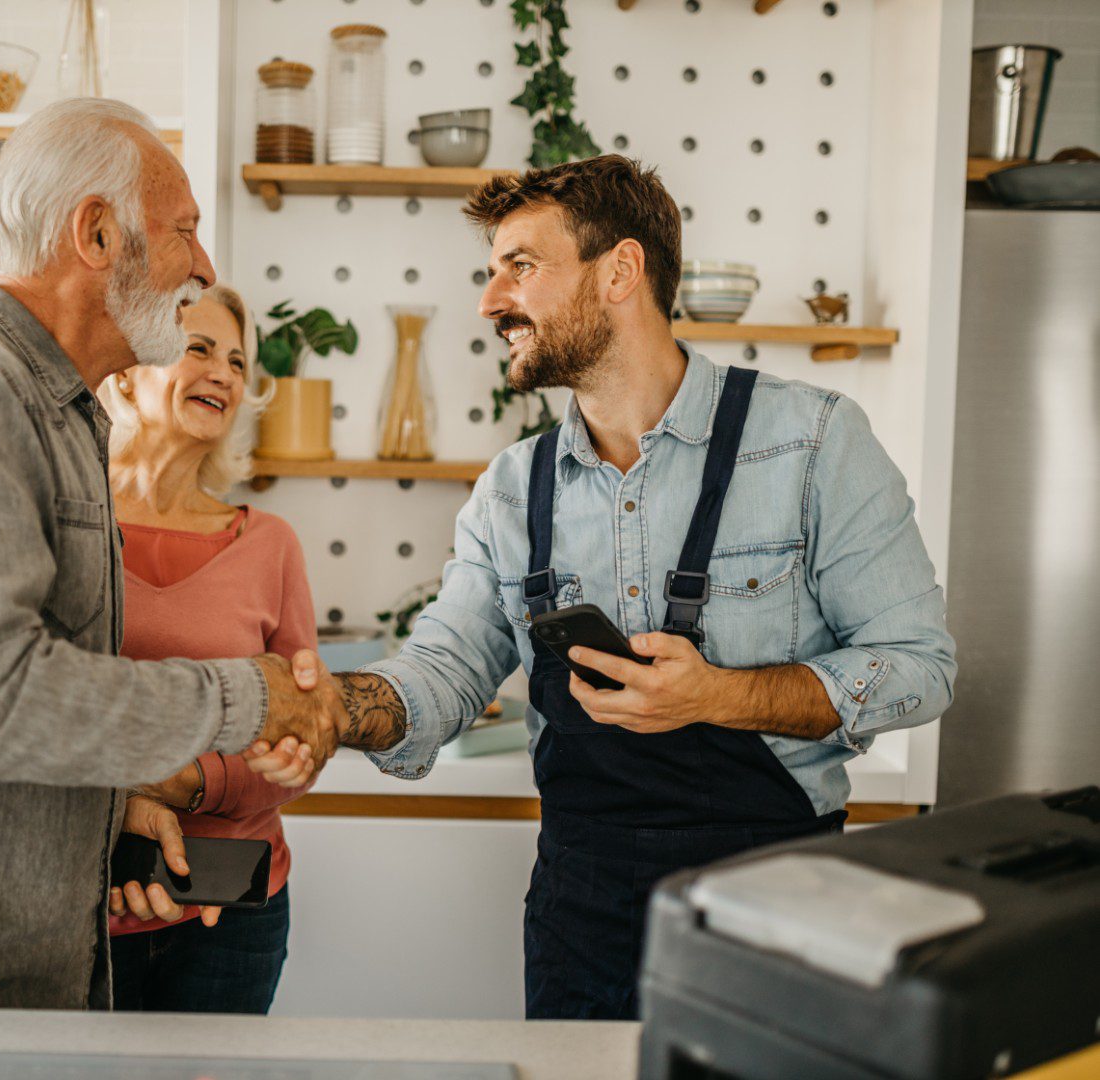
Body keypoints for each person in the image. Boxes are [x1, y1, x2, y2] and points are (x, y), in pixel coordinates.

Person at [251, 155, 957, 1020]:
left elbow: (920, 667)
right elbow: (443, 670)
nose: (490, 301)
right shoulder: (513, 489)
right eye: (490, 272)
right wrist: (332, 710)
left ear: (621, 270)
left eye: (521, 266)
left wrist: (719, 697)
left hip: (781, 908)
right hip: (581, 913)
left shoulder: (811, 442)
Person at [0, 98, 342, 1010]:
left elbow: (16, 710)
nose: (201, 265)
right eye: (184, 231)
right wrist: (244, 696)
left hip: (5, 968)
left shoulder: (58, 413)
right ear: (97, 233)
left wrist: (111, 810)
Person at [99, 284, 315, 1013]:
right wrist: (116, 808)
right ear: (128, 370)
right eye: (198, 349)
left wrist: (191, 782)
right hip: (82, 907)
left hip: (231, 915)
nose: (223, 372)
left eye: (235, 360)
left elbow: (300, 738)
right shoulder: (72, 524)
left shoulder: (270, 544)